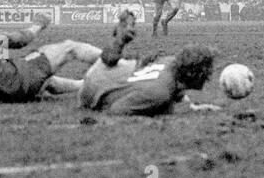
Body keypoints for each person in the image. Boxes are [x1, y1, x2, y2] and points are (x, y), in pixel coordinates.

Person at [78, 11, 219, 116]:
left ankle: (119, 44)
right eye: (206, 69)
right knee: (139, 71)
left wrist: (192, 107)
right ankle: (118, 45)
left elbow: (176, 90)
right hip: (91, 92)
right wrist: (163, 109)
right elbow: (116, 109)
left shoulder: (171, 61)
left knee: (139, 64)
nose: (208, 74)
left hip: (106, 70)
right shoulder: (160, 94)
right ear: (194, 73)